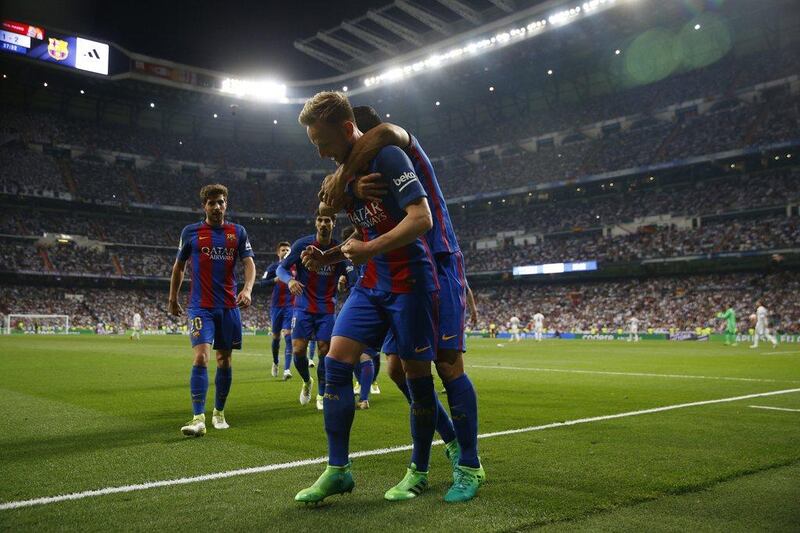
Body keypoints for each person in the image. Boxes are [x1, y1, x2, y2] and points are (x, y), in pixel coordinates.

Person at [312, 101, 484, 503]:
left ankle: (468, 462)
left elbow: (387, 132)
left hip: (436, 261)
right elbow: (337, 210)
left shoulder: (395, 152)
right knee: (395, 370)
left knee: (446, 364)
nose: (324, 155)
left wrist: (345, 176)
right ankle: (444, 443)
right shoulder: (360, 177)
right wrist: (347, 185)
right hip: (388, 272)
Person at [294, 91, 441, 505]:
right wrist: (333, 253)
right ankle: (338, 469)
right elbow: (366, 230)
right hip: (371, 284)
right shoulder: (346, 177)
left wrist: (369, 250)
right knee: (335, 362)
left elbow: (421, 220)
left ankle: (420, 470)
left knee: (416, 378)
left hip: (410, 283)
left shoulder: (389, 159)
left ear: (346, 129)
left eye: (322, 143)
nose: (321, 153)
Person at [168, 183, 255, 437]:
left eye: (221, 202)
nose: (217, 207)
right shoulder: (191, 232)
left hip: (228, 307)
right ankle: (198, 418)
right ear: (204, 206)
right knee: (201, 357)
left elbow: (249, 263)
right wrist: (173, 298)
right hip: (200, 307)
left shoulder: (237, 232)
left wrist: (248, 289)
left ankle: (219, 412)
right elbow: (179, 267)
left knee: (224, 359)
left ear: (226, 204)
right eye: (212, 203)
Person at [277, 212, 347, 406]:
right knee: (298, 350)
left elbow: (351, 274)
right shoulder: (302, 245)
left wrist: (344, 280)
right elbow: (281, 269)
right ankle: (307, 381)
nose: (323, 223)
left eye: (327, 220)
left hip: (326, 308)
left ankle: (322, 394)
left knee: (325, 350)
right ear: (316, 223)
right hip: (302, 307)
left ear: (333, 223)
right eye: (320, 220)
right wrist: (290, 280)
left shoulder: (339, 250)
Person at [260, 241, 294, 379]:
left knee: (289, 336)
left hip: (291, 306)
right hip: (276, 307)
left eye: (288, 250)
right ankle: (275, 362)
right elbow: (262, 283)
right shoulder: (273, 267)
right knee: (276, 338)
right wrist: (274, 280)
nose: (285, 252)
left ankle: (287, 369)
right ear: (278, 252)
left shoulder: (294, 267)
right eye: (283, 250)